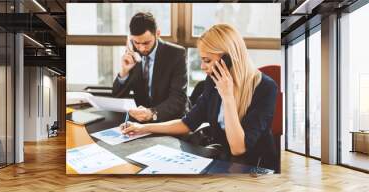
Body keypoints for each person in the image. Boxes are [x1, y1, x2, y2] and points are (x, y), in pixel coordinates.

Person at [121, 24, 278, 167]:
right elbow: (187, 123)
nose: (202, 67)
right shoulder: (212, 81)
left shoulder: (265, 88)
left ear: (228, 59)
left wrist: (228, 97)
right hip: (222, 158)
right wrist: (142, 128)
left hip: (255, 166)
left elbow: (238, 149)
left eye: (207, 60)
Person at [112, 12, 188, 123]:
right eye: (137, 42)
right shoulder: (132, 53)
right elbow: (117, 97)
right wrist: (124, 72)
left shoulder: (176, 54)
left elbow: (178, 100)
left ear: (157, 34)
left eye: (146, 43)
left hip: (169, 121)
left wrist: (152, 113)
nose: (142, 48)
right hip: (140, 123)